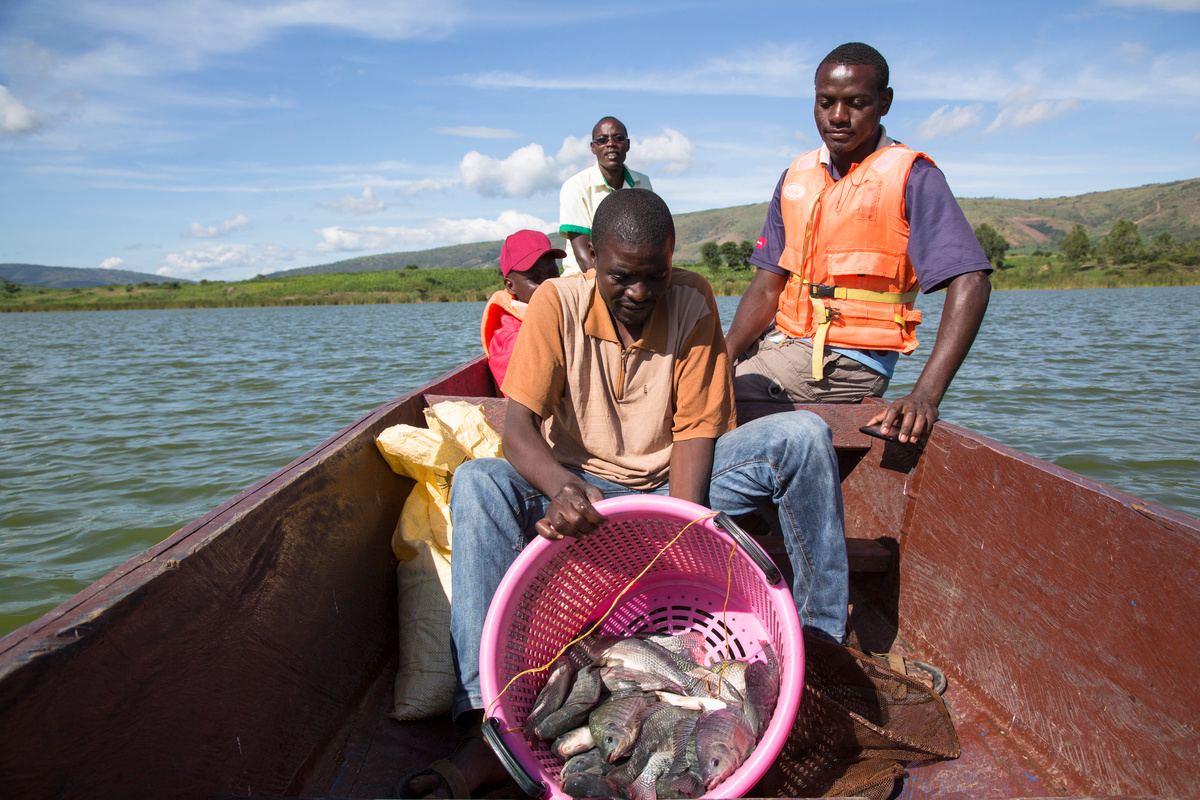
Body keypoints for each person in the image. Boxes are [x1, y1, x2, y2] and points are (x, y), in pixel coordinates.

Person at [400, 188, 846, 798]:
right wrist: (560, 489)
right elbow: (518, 431)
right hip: (581, 486)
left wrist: (669, 538)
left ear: (671, 262)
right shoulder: (556, 303)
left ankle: (820, 651)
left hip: (676, 480)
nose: (638, 293)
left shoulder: (691, 298)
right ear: (589, 260)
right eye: (620, 277)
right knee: (480, 483)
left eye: (653, 277)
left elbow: (694, 434)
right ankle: (490, 722)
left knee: (803, 436)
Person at [724, 42, 992, 445]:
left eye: (856, 103)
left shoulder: (912, 175)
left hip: (846, 359)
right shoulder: (796, 176)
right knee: (687, 380)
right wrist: (722, 355)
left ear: (884, 103)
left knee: (707, 402)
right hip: (784, 341)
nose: (837, 116)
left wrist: (926, 394)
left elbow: (971, 280)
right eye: (825, 102)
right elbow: (767, 285)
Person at [557, 116, 652, 277]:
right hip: (585, 276)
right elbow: (583, 256)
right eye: (602, 140)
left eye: (618, 138)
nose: (611, 144)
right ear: (593, 148)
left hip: (634, 276)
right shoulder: (576, 186)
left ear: (627, 145)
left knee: (693, 282)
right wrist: (614, 286)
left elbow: (650, 237)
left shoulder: (642, 182)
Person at [480, 229, 564, 393]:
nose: (549, 285)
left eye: (553, 274)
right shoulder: (513, 341)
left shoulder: (551, 313)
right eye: (535, 278)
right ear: (510, 286)